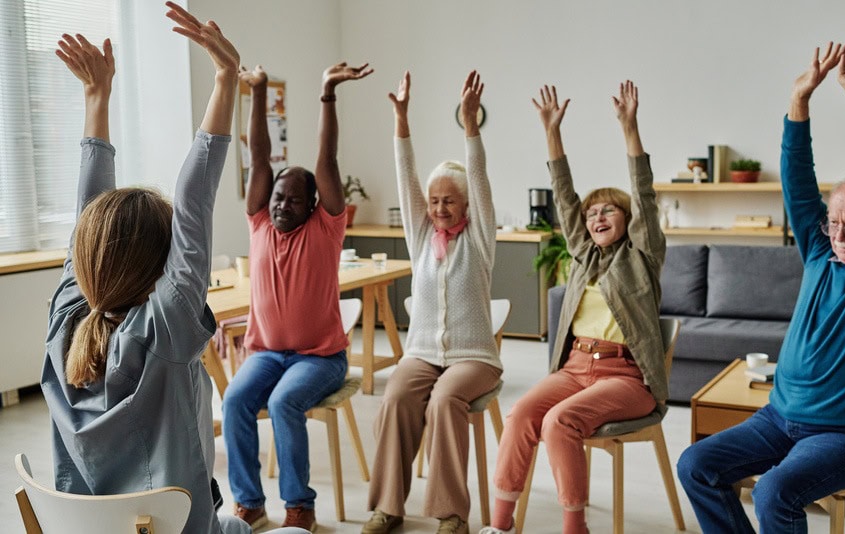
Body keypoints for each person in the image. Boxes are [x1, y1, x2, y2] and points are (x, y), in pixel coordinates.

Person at [39, 4, 306, 534]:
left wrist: (96, 98)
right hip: (184, 530)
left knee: (235, 524)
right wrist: (227, 79)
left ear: (84, 261)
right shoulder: (166, 329)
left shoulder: (65, 321)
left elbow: (98, 220)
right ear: (163, 266)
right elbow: (194, 201)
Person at [677, 37, 845, 533]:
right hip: (779, 419)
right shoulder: (820, 252)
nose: (839, 236)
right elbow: (797, 183)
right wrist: (798, 104)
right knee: (696, 466)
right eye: (832, 223)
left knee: (774, 491)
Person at [477, 81, 667, 534]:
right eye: (592, 214)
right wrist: (551, 133)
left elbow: (644, 193)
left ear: (627, 221)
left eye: (608, 211)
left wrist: (629, 127)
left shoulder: (642, 257)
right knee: (522, 414)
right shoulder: (584, 258)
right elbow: (564, 198)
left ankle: (573, 527)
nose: (597, 218)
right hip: (573, 368)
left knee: (560, 422)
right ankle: (499, 526)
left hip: (626, 377)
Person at [221, 61, 372, 532]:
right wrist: (259, 90)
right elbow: (260, 157)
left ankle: (299, 506)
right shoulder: (259, 222)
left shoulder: (326, 229)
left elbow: (326, 160)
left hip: (320, 359)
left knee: (285, 403)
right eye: (277, 198)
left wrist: (326, 92)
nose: (281, 204)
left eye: (292, 199)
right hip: (267, 353)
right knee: (234, 402)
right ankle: (249, 502)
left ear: (313, 204)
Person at [361, 70, 503, 534]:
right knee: (397, 395)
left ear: (466, 207)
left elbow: (478, 178)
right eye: (434, 200)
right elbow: (406, 178)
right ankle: (387, 507)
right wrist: (401, 121)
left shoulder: (479, 241)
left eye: (450, 201)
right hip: (422, 353)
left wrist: (470, 127)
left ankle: (450, 514)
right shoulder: (423, 237)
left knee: (444, 401)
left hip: (474, 357)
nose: (440, 208)